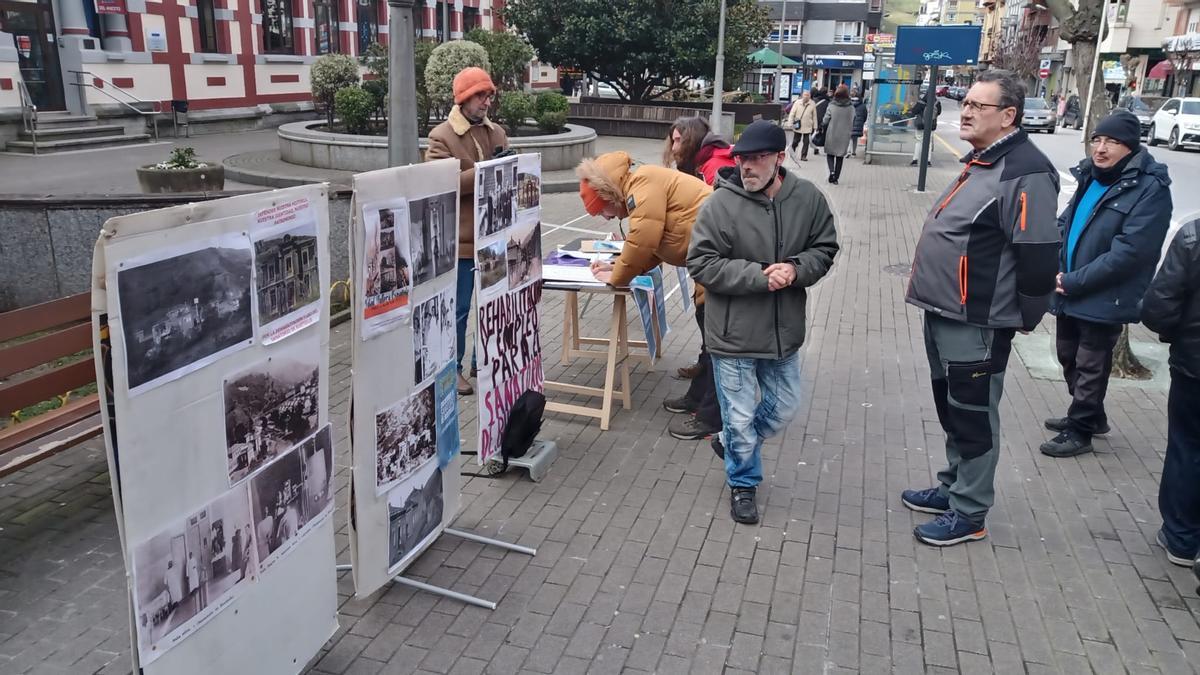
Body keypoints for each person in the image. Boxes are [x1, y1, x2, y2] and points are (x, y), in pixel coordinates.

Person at [902, 70, 1060, 546]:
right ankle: (953, 486)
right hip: (946, 311)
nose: (965, 111)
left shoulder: (1025, 171)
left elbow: (1038, 253)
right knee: (952, 406)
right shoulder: (985, 160)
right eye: (965, 102)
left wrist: (1026, 316)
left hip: (978, 320)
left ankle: (969, 513)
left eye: (977, 106)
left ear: (1008, 116)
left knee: (973, 413)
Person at [687, 120, 840, 523]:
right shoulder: (720, 204)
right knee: (738, 416)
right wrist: (758, 276)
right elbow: (701, 262)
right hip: (733, 334)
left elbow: (825, 247)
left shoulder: (808, 199)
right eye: (742, 159)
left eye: (757, 159)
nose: (747, 168)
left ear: (779, 158)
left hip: (782, 331)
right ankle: (743, 483)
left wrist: (796, 268)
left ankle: (730, 441)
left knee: (784, 407)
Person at [1041, 110, 1173, 458]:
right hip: (1069, 285)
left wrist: (1072, 281)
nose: (1101, 148)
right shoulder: (1090, 176)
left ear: (1130, 147)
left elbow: (1130, 253)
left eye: (1112, 142)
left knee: (1090, 364)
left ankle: (1081, 430)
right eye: (1098, 139)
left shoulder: (1150, 189)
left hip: (1105, 294)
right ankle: (1091, 415)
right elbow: (1066, 223)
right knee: (1067, 355)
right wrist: (1051, 265)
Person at [576, 152, 719, 439]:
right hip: (709, 257)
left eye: (603, 210)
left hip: (716, 260)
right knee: (711, 340)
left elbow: (644, 240)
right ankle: (697, 398)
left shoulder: (642, 183)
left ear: (608, 195)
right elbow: (653, 244)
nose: (607, 217)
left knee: (716, 343)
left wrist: (616, 278)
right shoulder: (640, 183)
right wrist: (618, 265)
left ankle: (710, 416)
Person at [426, 66, 509, 396]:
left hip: (493, 238)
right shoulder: (441, 136)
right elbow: (440, 183)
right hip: (460, 244)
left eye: (488, 95)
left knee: (491, 306)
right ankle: (453, 369)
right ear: (462, 98)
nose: (486, 102)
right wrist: (486, 172)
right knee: (458, 312)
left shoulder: (496, 133)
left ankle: (483, 361)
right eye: (479, 95)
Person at [1141, 216, 1200, 569]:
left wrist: (1172, 333)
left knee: (1187, 446)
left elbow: (1159, 307)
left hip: (1194, 366)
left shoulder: (1194, 235)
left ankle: (1180, 537)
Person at [822, 85, 854, 184]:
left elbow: (825, 120)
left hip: (832, 133)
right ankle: (836, 178)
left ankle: (831, 172)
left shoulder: (832, 106)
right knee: (840, 157)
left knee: (830, 154)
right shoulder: (851, 107)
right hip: (845, 134)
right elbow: (854, 118)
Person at [910, 96, 942, 167]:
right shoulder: (937, 102)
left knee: (919, 142)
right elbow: (939, 112)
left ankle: (915, 160)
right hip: (931, 125)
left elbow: (914, 111)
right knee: (929, 143)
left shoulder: (921, 102)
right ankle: (928, 161)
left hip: (920, 125)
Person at [786, 91, 817, 161]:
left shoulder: (812, 103)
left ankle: (803, 156)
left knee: (806, 142)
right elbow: (792, 113)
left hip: (808, 126)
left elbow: (814, 116)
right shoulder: (797, 103)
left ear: (810, 96)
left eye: (808, 95)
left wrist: (815, 126)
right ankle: (792, 152)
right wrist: (790, 123)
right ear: (802, 96)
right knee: (796, 141)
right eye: (805, 95)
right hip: (798, 125)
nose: (806, 96)